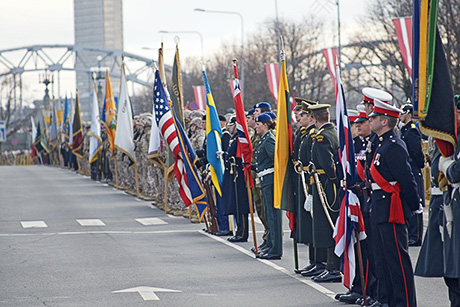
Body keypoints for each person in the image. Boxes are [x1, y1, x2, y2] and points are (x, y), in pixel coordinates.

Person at [368, 99, 420, 307]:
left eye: (374, 117)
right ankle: (388, 300)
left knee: (397, 260)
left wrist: (414, 205)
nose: (370, 119)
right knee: (383, 260)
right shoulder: (381, 144)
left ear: (384, 121)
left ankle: (404, 302)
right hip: (380, 205)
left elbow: (407, 180)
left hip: (392, 207)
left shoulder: (394, 145)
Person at [292, 99, 329, 277]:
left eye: (303, 115)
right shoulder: (306, 133)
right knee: (312, 223)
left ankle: (321, 262)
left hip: (315, 181)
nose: (299, 118)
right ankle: (315, 261)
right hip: (307, 180)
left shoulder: (316, 135)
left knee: (319, 224)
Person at [308, 103, 341, 283]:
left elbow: (328, 165)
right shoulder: (333, 133)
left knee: (327, 226)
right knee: (330, 225)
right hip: (329, 185)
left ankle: (333, 268)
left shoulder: (321, 138)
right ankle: (330, 266)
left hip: (326, 186)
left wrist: (332, 180)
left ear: (314, 119)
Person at [436, 98, 460, 307]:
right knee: (451, 272)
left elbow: (457, 172)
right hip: (453, 204)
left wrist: (447, 166)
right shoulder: (455, 139)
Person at [254, 113, 282, 259]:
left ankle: (275, 250)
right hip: (265, 180)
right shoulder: (265, 138)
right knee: (269, 214)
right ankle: (271, 246)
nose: (256, 127)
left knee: (273, 216)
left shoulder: (269, 139)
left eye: (258, 124)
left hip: (270, 181)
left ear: (265, 125)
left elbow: (275, 162)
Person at [400, 103, 425, 246]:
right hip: (408, 167)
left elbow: (417, 153)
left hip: (414, 168)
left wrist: (418, 165)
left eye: (403, 114)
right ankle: (411, 233)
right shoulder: (404, 130)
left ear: (409, 114)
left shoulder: (412, 131)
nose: (400, 116)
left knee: (416, 200)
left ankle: (415, 236)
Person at [222, 116, 249, 243]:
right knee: (236, 204)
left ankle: (242, 233)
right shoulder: (235, 139)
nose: (228, 128)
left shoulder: (240, 139)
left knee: (241, 205)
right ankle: (239, 231)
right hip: (234, 176)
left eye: (231, 125)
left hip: (239, 176)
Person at [246, 108, 269, 252]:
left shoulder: (268, 135)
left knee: (267, 211)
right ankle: (267, 238)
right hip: (256, 176)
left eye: (257, 113)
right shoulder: (256, 134)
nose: (254, 116)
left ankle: (270, 240)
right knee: (260, 210)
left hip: (264, 176)